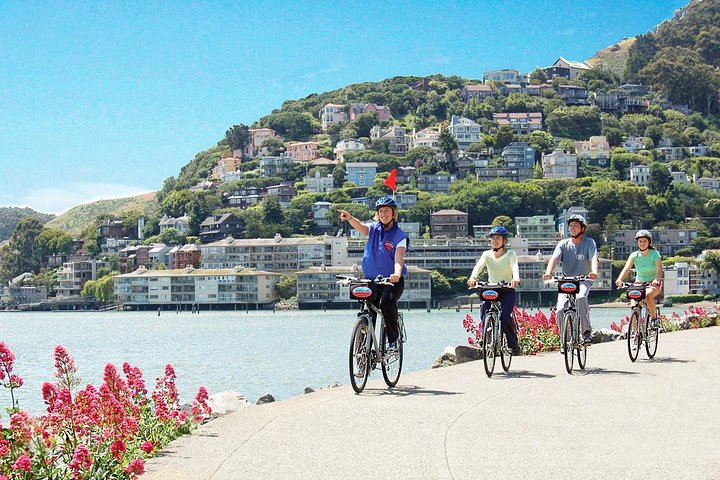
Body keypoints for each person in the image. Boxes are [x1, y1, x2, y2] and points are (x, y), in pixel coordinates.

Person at [339, 196, 408, 349]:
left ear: (393, 213)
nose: (384, 214)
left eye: (387, 211)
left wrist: (396, 274)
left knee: (386, 302)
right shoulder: (374, 229)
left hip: (392, 281)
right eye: (381, 211)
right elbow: (361, 227)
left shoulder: (400, 236)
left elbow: (399, 259)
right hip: (371, 280)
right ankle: (363, 351)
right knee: (367, 308)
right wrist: (350, 218)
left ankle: (393, 339)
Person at [543, 214, 598, 346]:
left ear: (582, 228)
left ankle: (586, 332)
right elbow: (554, 259)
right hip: (567, 280)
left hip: (583, 279)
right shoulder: (563, 244)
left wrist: (594, 272)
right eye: (571, 225)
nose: (572, 228)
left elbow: (593, 258)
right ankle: (564, 338)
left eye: (575, 225)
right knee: (560, 310)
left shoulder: (589, 242)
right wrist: (548, 272)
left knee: (580, 298)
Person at [467, 226, 521, 355]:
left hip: (507, 289)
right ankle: (485, 336)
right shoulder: (487, 254)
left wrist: (516, 279)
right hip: (492, 288)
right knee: (484, 309)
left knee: (504, 316)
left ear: (504, 240)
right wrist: (473, 277)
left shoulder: (510, 254)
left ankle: (513, 344)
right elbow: (479, 266)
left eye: (498, 238)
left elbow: (514, 267)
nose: (495, 240)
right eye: (493, 238)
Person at [615, 229, 663, 328]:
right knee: (634, 306)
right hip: (639, 284)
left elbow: (659, 270)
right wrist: (620, 279)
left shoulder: (655, 254)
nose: (642, 243)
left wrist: (656, 280)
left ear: (649, 242)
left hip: (653, 283)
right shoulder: (634, 255)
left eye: (644, 241)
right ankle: (635, 333)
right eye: (640, 241)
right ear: (637, 242)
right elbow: (626, 268)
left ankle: (654, 319)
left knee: (648, 295)